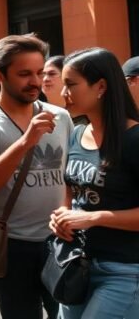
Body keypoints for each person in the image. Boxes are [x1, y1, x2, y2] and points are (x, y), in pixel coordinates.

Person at [0, 34, 73, 319]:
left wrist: (71, 218)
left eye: (40, 72)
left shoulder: (61, 117)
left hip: (60, 242)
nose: (35, 81)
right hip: (10, 247)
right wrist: (25, 142)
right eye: (24, 74)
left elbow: (71, 176)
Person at [52, 48, 139, 319]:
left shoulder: (134, 139)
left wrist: (93, 218)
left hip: (124, 271)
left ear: (101, 86)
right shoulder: (77, 133)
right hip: (77, 265)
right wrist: (61, 215)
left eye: (71, 84)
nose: (63, 93)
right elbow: (70, 186)